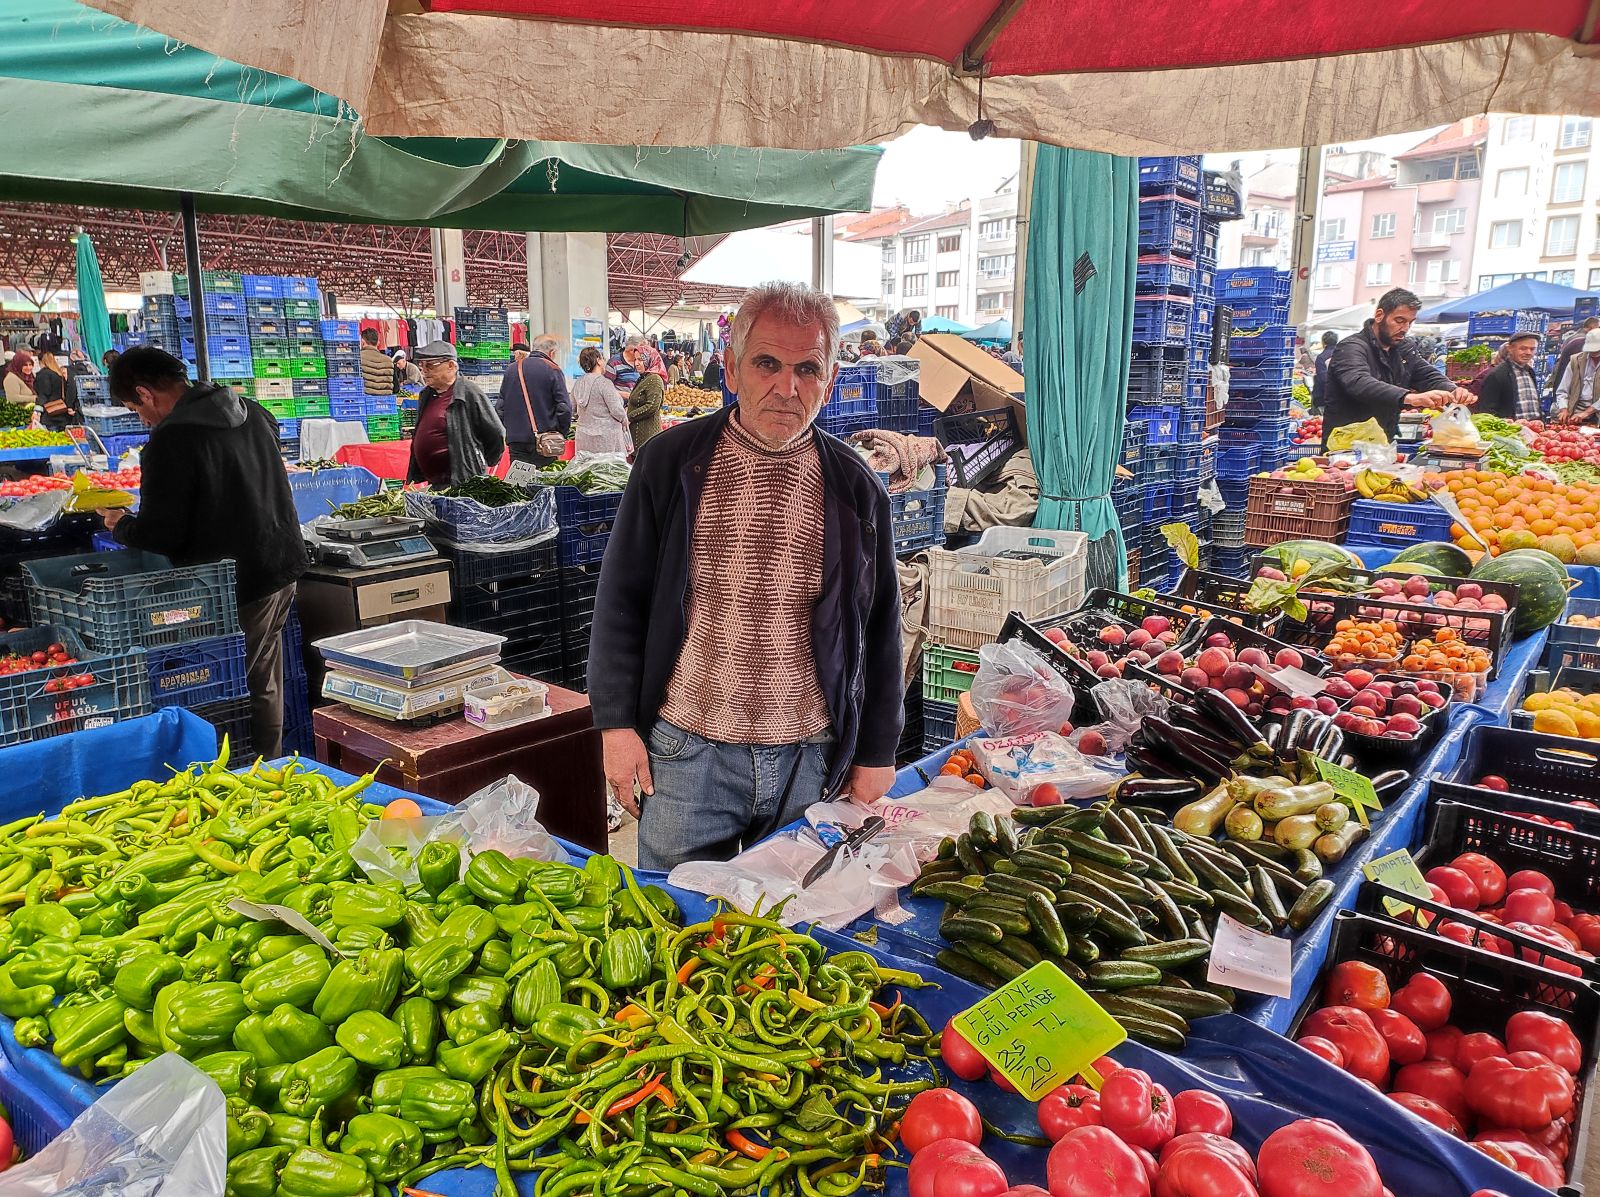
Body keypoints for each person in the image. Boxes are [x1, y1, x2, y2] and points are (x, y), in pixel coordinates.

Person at [588, 281, 903, 871]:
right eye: (767, 364)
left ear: (831, 381)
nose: (787, 387)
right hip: (687, 750)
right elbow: (621, 602)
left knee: (791, 934)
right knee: (672, 922)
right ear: (731, 371)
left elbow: (882, 626)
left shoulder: (857, 488)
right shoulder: (670, 463)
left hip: (809, 758)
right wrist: (616, 727)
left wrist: (876, 749)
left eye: (808, 369)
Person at [99, 347, 307, 757]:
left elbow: (162, 533)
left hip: (234, 580)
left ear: (144, 393)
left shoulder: (171, 439)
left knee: (241, 682)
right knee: (263, 675)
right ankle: (268, 762)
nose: (141, 419)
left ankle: (259, 771)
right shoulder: (250, 410)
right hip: (281, 560)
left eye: (133, 408)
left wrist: (120, 524)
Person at [1321, 287, 1474, 447]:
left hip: (1382, 443)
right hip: (1345, 446)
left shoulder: (1403, 348)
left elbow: (1426, 374)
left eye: (1410, 322)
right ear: (1380, 315)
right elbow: (1359, 382)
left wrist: (1452, 390)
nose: (1405, 328)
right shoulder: (1352, 347)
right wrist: (1408, 397)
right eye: (1399, 321)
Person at [407, 341, 506, 486]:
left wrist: (479, 461)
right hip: (436, 484)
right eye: (422, 366)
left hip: (462, 483)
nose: (424, 371)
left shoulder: (467, 392)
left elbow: (496, 433)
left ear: (451, 366)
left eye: (430, 365)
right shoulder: (427, 395)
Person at [496, 334, 571, 468]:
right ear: (552, 353)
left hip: (516, 441)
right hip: (545, 441)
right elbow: (564, 407)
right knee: (543, 482)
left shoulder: (512, 369)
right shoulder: (553, 370)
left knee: (519, 483)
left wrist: (512, 428)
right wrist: (560, 432)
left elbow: (500, 408)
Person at [572, 346, 630, 455]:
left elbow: (572, 409)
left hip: (584, 438)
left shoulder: (578, 383)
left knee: (587, 470)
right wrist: (624, 419)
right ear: (598, 360)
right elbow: (617, 411)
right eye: (603, 359)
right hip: (607, 439)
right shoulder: (604, 383)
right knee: (606, 470)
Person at [1476, 332, 1544, 422]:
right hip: (1512, 432)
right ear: (1510, 348)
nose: (1528, 352)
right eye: (1523, 348)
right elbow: (1487, 411)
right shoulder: (1497, 375)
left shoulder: (1530, 372)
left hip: (1534, 430)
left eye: (1532, 349)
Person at [622, 336, 665, 451]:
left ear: (649, 359)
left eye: (640, 360)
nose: (636, 363)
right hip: (638, 437)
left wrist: (630, 416)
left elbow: (652, 406)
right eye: (635, 359)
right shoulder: (643, 378)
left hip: (647, 437)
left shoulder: (654, 379)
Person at [1555, 328, 1600, 424]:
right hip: (1575, 413)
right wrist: (1564, 408)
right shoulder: (1576, 360)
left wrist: (1586, 413)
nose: (1594, 354)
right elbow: (1562, 390)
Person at [1552, 317, 1599, 401]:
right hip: (1570, 393)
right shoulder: (1581, 342)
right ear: (1592, 328)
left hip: (1565, 388)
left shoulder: (1574, 338)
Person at [33, 349, 77, 430]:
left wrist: (37, 411)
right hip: (62, 412)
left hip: (49, 415)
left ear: (40, 361)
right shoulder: (59, 374)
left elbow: (44, 394)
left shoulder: (43, 374)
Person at [359, 329, 394, 396]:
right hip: (385, 401)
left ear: (362, 341)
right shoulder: (389, 360)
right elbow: (396, 387)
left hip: (365, 400)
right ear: (378, 342)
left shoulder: (358, 357)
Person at [1310, 331, 1339, 411]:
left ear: (1323, 342)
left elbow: (1323, 379)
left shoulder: (1322, 357)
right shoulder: (1342, 355)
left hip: (1323, 398)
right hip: (1339, 398)